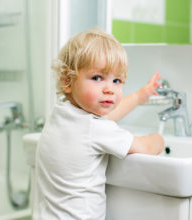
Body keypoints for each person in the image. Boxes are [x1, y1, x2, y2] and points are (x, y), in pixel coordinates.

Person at [33, 28, 164, 220]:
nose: (110, 89)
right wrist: (159, 139)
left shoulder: (61, 114)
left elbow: (101, 122)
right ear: (67, 81)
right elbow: (145, 147)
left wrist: (138, 97)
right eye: (97, 78)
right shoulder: (96, 130)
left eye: (117, 80)